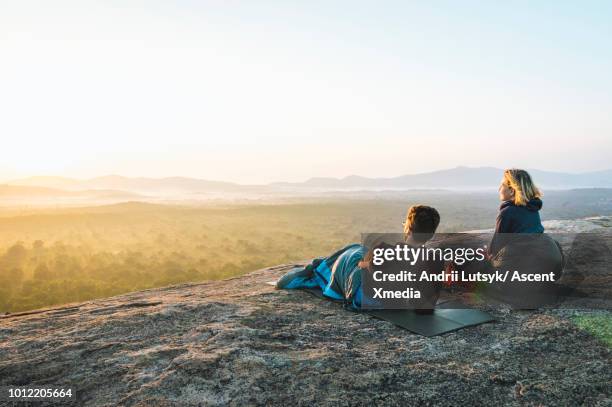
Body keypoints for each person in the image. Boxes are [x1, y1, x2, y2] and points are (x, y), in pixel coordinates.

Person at [276, 205, 441, 310]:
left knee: (354, 253)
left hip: (368, 299)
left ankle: (318, 268)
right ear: (430, 235)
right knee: (359, 251)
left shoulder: (385, 250)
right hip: (397, 302)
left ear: (409, 229)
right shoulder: (434, 261)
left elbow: (364, 268)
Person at [488, 168, 544, 256]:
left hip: (518, 263)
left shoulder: (507, 212)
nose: (499, 189)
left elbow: (495, 249)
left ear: (511, 191)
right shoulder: (533, 208)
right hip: (537, 258)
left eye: (502, 185)